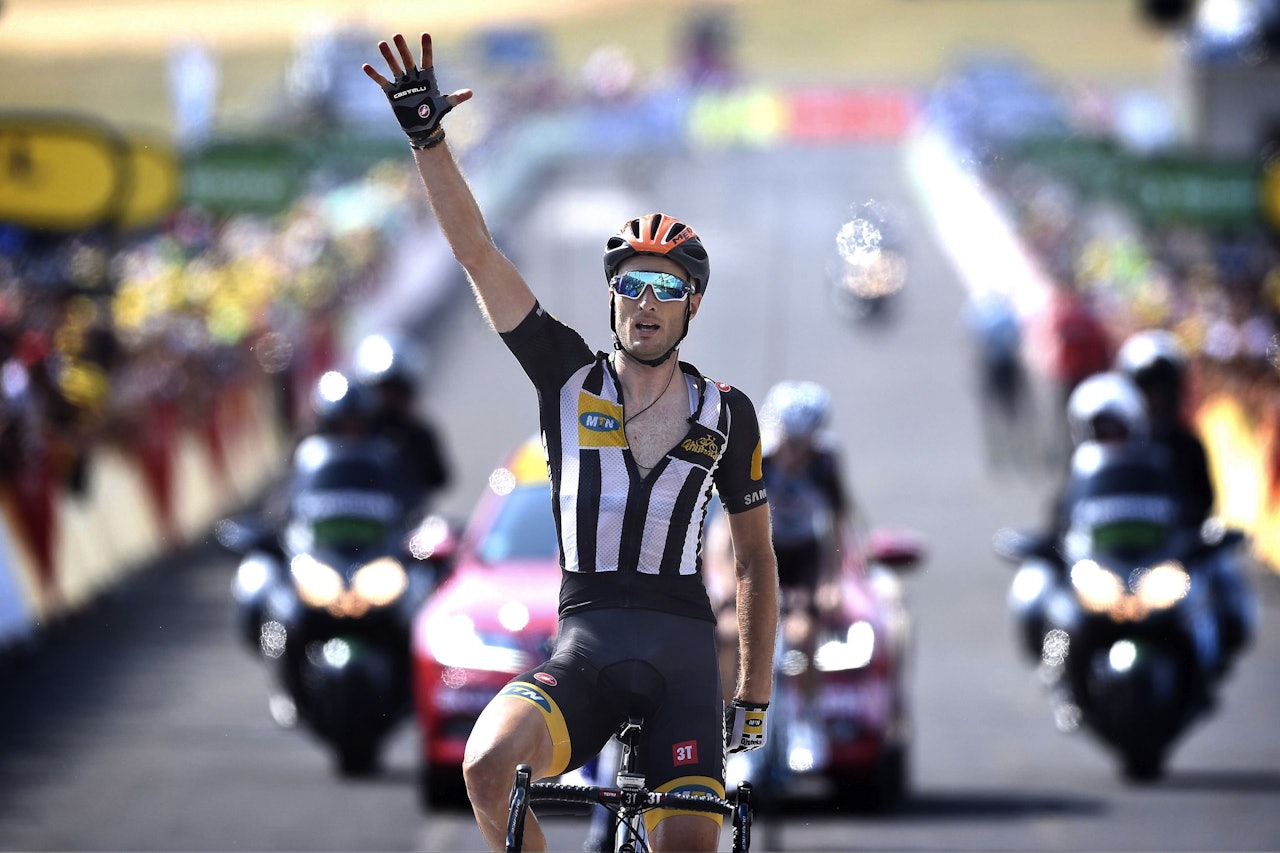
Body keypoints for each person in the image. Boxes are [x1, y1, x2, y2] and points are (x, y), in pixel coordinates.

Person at [363, 33, 778, 853]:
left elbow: (757, 560)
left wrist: (753, 693)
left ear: (692, 305)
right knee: (484, 764)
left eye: (666, 288)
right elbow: (477, 253)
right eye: (631, 283)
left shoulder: (729, 412)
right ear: (613, 295)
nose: (645, 302)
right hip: (584, 649)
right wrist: (428, 141)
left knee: (689, 843)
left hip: (685, 664)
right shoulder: (565, 376)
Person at [1115, 329, 1255, 670]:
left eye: (1161, 390)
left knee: (1230, 589)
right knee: (1057, 602)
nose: (1154, 399)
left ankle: (1211, 662)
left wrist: (1189, 532)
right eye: (1146, 390)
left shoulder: (1188, 445)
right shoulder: (1111, 443)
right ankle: (1056, 667)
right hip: (1117, 553)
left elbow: (1206, 500)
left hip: (1176, 553)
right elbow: (1077, 499)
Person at [352, 331, 452, 515]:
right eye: (383, 389)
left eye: (397, 389)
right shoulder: (352, 431)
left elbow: (439, 479)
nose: (390, 398)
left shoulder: (419, 434)